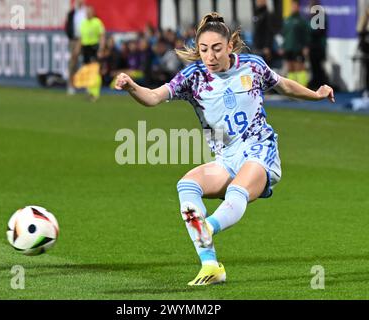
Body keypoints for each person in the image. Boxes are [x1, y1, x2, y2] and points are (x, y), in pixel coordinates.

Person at [115, 12, 334, 286]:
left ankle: (207, 228)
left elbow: (283, 85)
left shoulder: (253, 66)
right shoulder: (193, 77)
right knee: (187, 186)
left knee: (236, 190)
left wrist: (315, 94)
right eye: (204, 49)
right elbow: (154, 97)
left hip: (259, 151)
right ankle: (210, 265)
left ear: (230, 46)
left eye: (217, 48)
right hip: (226, 159)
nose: (210, 56)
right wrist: (132, 87)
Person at [78, 6, 105, 101]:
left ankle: (95, 93)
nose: (88, 14)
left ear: (93, 13)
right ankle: (89, 91)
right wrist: (78, 49)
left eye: (89, 12)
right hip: (86, 48)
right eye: (87, 12)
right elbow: (81, 38)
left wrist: (101, 49)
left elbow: (102, 36)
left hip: (94, 47)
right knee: (87, 70)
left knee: (95, 71)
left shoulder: (97, 22)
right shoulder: (83, 23)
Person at [281, 0, 310, 87]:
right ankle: (292, 90)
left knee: (300, 68)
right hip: (288, 48)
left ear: (298, 7)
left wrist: (306, 46)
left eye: (294, 6)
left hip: (298, 48)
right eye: (292, 6)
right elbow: (284, 35)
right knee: (290, 69)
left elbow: (306, 34)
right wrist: (283, 46)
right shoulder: (287, 20)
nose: (293, 7)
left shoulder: (302, 21)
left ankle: (303, 88)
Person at [65, 0, 87, 95]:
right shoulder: (72, 13)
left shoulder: (87, 12)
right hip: (75, 40)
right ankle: (71, 85)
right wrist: (71, 37)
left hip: (87, 40)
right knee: (73, 62)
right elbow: (68, 26)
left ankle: (87, 85)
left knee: (87, 62)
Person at [252, 0, 275, 65]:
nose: (258, 2)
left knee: (265, 68)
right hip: (257, 47)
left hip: (264, 48)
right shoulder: (257, 13)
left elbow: (269, 32)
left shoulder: (268, 14)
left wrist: (267, 46)